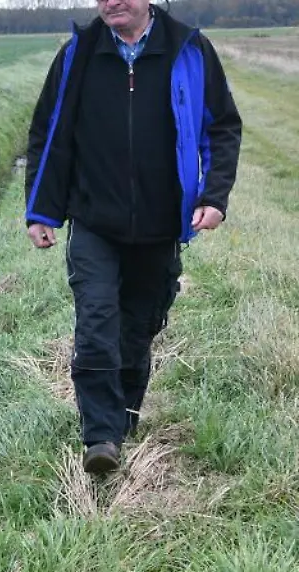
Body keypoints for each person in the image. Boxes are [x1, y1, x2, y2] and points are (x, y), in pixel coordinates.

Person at [23, 0, 242, 474]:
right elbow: (48, 132)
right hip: (94, 221)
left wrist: (214, 196)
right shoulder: (77, 54)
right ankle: (100, 436)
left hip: (162, 224)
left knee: (137, 330)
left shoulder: (189, 49)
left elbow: (222, 128)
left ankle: (121, 420)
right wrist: (40, 211)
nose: (112, 2)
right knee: (97, 322)